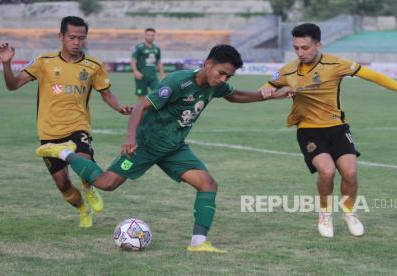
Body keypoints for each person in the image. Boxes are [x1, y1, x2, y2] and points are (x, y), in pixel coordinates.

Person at [35, 44, 289, 252]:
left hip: (174, 148)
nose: (223, 79)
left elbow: (236, 95)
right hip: (146, 144)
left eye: (227, 76)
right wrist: (131, 137)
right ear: (208, 63)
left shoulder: (216, 86)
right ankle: (63, 152)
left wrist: (269, 95)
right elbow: (140, 106)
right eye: (221, 73)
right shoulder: (179, 82)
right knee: (105, 183)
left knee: (208, 184)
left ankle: (198, 243)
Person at [261, 23, 397, 238]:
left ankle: (349, 212)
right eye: (296, 48)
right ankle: (325, 213)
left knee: (351, 172)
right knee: (327, 171)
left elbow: (373, 75)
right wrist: (273, 92)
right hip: (308, 130)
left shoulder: (337, 64)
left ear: (318, 45)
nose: (300, 53)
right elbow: (266, 88)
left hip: (336, 127)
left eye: (305, 48)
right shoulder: (288, 70)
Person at [0, 16, 132, 228]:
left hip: (78, 126)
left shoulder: (94, 65)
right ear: (61, 36)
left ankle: (89, 187)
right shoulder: (43, 62)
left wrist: (119, 107)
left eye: (81, 38)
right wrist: (7, 64)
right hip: (49, 134)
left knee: (84, 162)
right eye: (72, 37)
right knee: (62, 183)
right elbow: (12, 85)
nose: (77, 42)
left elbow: (106, 93)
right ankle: (82, 209)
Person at [130, 28, 166, 98]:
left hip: (153, 76)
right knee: (141, 97)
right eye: (148, 35)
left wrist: (162, 75)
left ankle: (154, 109)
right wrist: (135, 71)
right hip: (141, 77)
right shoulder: (139, 47)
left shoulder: (157, 48)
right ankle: (142, 109)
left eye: (152, 35)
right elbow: (133, 60)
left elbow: (158, 62)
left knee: (158, 94)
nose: (150, 37)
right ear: (145, 36)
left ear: (154, 36)